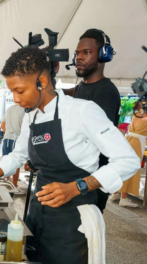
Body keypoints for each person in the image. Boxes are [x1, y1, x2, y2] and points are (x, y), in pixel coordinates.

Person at [0, 46, 139, 264]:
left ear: (42, 82)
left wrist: (77, 186)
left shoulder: (82, 111)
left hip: (73, 222)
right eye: (12, 92)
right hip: (37, 216)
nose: (15, 100)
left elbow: (128, 160)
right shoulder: (31, 117)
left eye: (20, 91)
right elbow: (18, 154)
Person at [64, 29, 121, 213]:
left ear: (104, 55)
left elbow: (94, 142)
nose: (79, 57)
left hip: (89, 182)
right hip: (75, 175)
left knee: (81, 238)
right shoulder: (83, 86)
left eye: (87, 52)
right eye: (78, 53)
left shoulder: (105, 92)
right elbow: (66, 96)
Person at [110, 116, 147, 207]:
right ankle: (123, 198)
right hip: (136, 143)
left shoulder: (138, 112)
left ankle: (114, 194)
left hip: (129, 139)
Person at [0, 104, 24, 191]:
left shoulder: (9, 109)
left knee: (6, 161)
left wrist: (9, 132)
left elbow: (2, 126)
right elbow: (25, 128)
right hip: (16, 139)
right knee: (16, 163)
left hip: (7, 139)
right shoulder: (24, 110)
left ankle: (7, 182)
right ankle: (14, 184)